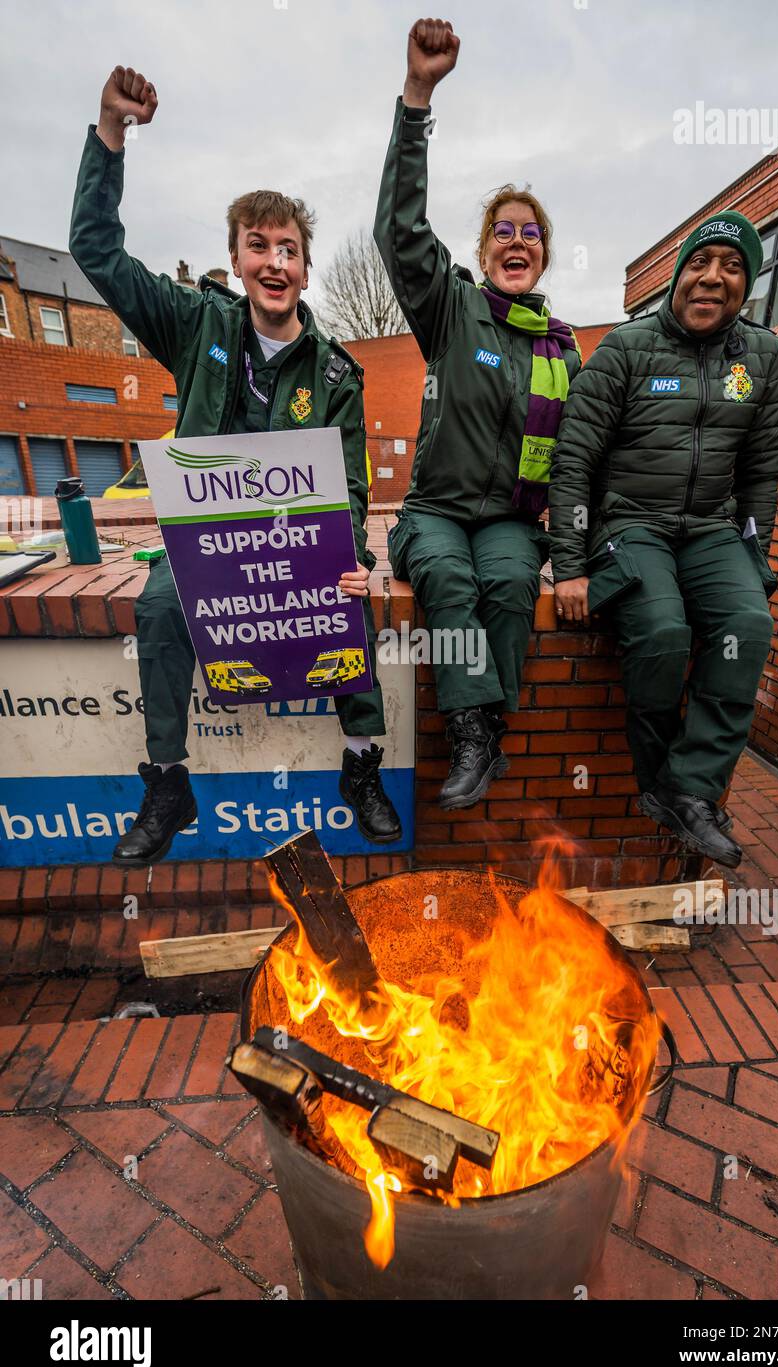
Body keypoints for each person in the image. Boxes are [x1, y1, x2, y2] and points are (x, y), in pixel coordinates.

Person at [69, 65, 401, 865]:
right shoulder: (195, 324)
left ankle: (361, 767)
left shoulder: (336, 374)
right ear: (238, 257)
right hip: (208, 546)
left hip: (297, 547)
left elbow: (351, 487)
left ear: (305, 269)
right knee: (156, 610)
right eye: (260, 247)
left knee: (350, 597)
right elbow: (96, 250)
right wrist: (113, 131)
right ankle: (168, 781)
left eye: (289, 249)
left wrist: (351, 558)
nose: (275, 262)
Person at [375, 19, 582, 810]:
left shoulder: (561, 352)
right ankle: (469, 731)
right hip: (435, 510)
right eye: (504, 231)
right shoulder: (452, 307)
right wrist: (418, 97)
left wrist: (574, 554)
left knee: (505, 583)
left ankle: (491, 727)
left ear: (544, 255)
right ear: (485, 249)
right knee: (449, 580)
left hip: (509, 518)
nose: (517, 241)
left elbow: (574, 462)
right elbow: (398, 232)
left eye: (531, 234)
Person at [550, 210, 778, 868]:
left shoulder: (763, 357)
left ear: (747, 286)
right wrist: (570, 563)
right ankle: (662, 781)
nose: (712, 278)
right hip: (630, 523)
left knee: (750, 622)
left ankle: (691, 791)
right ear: (679, 276)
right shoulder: (627, 348)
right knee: (661, 631)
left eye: (732, 267)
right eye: (700, 264)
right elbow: (572, 459)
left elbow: (763, 472)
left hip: (713, 528)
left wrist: (752, 556)